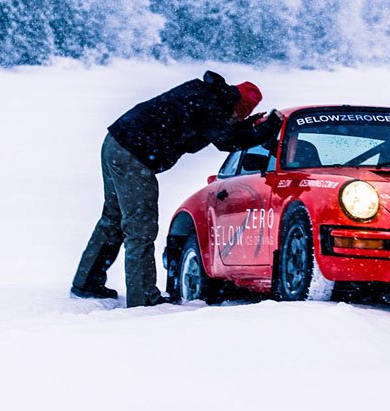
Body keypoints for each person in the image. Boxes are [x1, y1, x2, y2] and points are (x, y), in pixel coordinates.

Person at [71, 71, 284, 307]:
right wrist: (270, 127)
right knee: (140, 227)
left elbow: (222, 130)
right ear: (238, 107)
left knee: (113, 219)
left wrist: (245, 127)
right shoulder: (213, 105)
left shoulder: (208, 94)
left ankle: (87, 282)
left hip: (116, 143)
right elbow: (227, 141)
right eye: (240, 115)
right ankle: (142, 299)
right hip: (134, 156)